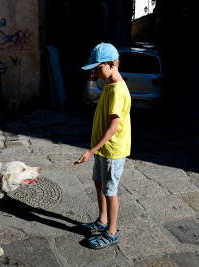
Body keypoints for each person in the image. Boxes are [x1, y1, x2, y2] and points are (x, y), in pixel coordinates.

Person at [75, 43, 131, 249]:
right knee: (99, 183)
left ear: (112, 64)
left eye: (98, 68)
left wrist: (91, 151)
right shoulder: (108, 85)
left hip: (112, 151)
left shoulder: (117, 90)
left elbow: (113, 129)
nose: (95, 72)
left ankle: (111, 232)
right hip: (103, 150)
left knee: (110, 190)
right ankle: (102, 220)